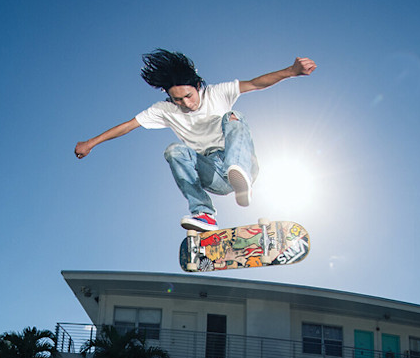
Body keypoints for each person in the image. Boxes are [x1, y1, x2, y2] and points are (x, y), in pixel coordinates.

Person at [75, 50, 316, 231]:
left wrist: (291, 71)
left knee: (234, 117)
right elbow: (129, 125)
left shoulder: (218, 92)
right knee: (174, 151)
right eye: (177, 99)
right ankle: (204, 214)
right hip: (212, 172)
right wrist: (91, 143)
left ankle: (240, 175)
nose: (185, 104)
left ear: (198, 86)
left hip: (240, 161)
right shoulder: (164, 110)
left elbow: (255, 83)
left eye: (188, 96)